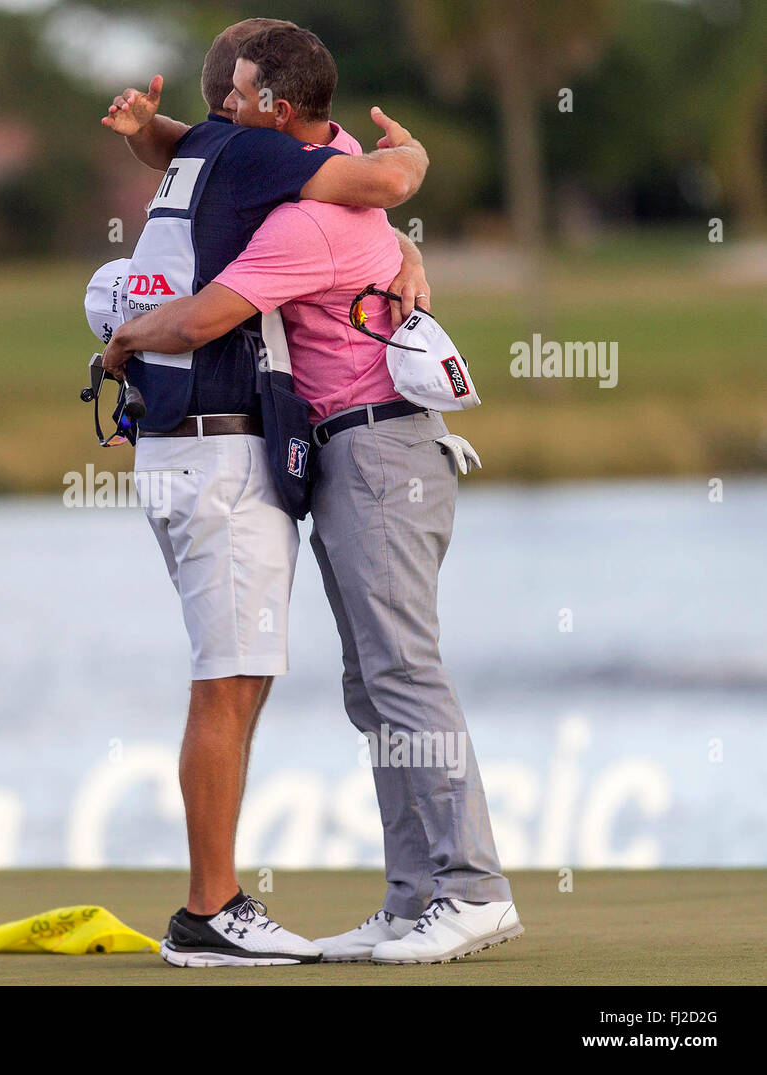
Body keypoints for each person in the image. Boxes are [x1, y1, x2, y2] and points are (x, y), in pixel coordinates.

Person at [102, 24, 522, 966]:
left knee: (403, 673)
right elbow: (217, 150)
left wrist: (124, 340)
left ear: (276, 113)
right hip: (351, 451)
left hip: (381, 452)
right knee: (372, 682)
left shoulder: (298, 219)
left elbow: (210, 316)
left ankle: (469, 888)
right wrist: (145, 130)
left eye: (240, 98)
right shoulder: (306, 160)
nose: (227, 117)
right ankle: (417, 895)